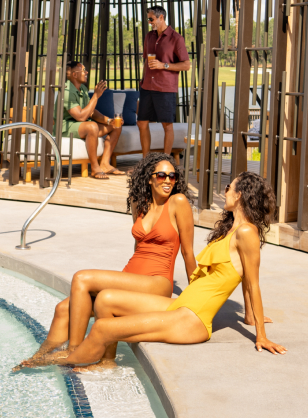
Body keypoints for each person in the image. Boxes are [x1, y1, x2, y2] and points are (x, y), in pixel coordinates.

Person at [21, 171, 285, 368]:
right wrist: (248, 316)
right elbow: (242, 278)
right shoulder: (230, 230)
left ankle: (56, 362)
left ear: (239, 195)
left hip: (192, 319)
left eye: (229, 187)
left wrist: (261, 335)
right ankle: (106, 362)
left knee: (102, 329)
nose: (224, 191)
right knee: (106, 299)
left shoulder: (247, 232)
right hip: (181, 305)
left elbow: (252, 282)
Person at [17, 153, 196, 369]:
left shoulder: (178, 202)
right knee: (63, 308)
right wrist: (124, 279)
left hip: (157, 281)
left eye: (172, 176)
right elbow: (139, 246)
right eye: (161, 175)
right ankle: (38, 356)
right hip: (132, 277)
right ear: (150, 178)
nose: (167, 180)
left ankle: (74, 351)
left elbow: (188, 253)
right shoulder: (139, 203)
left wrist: (196, 297)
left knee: (82, 278)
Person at [139, 6, 190, 157]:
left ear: (161, 17)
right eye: (148, 19)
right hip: (147, 87)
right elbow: (146, 61)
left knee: (167, 126)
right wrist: (143, 80)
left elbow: (186, 65)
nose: (149, 22)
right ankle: (145, 161)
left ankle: (166, 160)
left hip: (165, 88)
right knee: (142, 123)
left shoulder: (176, 38)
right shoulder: (149, 36)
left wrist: (164, 65)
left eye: (151, 19)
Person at [61, 61, 121, 179]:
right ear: (74, 75)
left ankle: (104, 164)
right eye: (83, 70)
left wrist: (109, 121)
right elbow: (81, 117)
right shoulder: (66, 91)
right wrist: (95, 96)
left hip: (81, 125)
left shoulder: (82, 88)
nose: (87, 72)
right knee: (92, 126)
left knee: (116, 126)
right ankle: (94, 167)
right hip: (66, 127)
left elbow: (91, 112)